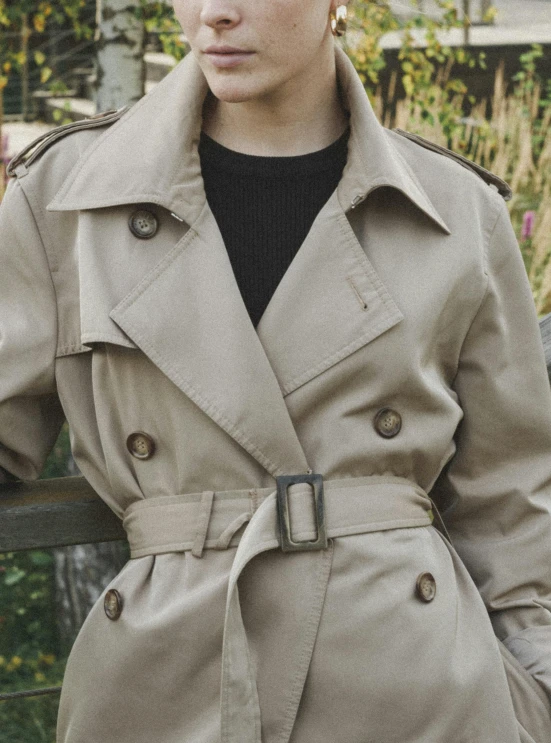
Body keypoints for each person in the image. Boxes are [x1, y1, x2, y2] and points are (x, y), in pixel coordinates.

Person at [1, 1, 551, 741]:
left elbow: (510, 499)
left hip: (416, 687)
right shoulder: (67, 195)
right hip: (166, 683)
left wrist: (535, 689)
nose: (214, 13)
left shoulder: (456, 210)